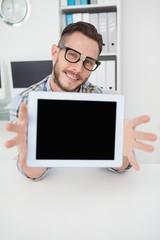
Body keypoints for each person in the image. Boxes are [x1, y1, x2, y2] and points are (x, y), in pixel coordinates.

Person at [5, 21, 157, 181]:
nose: (78, 69)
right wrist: (28, 156)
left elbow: (119, 166)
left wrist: (122, 153)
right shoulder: (23, 102)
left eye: (89, 62)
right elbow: (33, 173)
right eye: (72, 54)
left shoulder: (103, 102)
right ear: (55, 52)